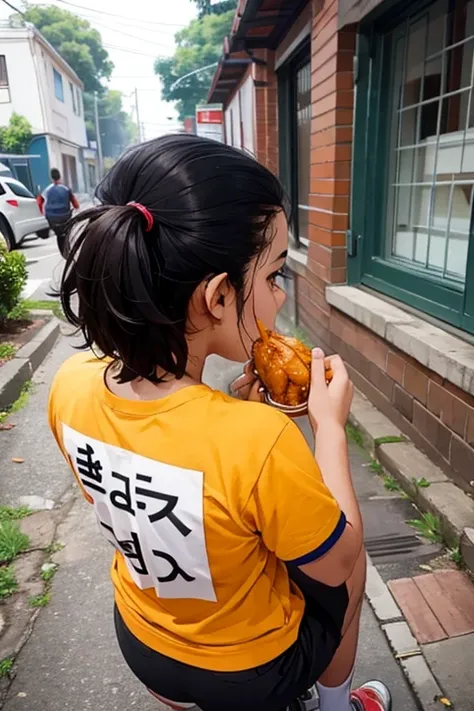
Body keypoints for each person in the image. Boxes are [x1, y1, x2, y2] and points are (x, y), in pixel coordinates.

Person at [48, 135, 392, 711]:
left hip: (143, 640)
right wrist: (329, 430)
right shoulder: (258, 439)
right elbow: (338, 560)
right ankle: (335, 707)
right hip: (249, 669)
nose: (279, 299)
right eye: (273, 276)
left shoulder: (70, 381)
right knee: (353, 576)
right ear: (216, 296)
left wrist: (243, 428)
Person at [39, 168, 79, 257]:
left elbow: (39, 201)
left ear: (51, 177)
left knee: (58, 234)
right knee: (67, 231)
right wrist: (74, 208)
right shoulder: (66, 189)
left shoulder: (47, 190)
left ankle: (63, 252)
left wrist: (42, 213)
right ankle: (68, 249)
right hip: (65, 217)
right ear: (60, 176)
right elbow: (76, 204)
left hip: (51, 218)